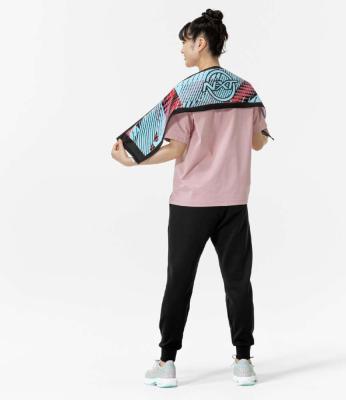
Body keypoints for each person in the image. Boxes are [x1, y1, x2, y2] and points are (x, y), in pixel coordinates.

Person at [111, 8, 271, 387]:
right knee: (238, 282)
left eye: (185, 42)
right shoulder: (246, 91)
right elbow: (259, 142)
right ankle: (243, 361)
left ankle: (167, 362)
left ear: (201, 43)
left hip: (191, 203)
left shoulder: (186, 93)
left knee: (179, 281)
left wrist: (134, 160)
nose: (182, 49)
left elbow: (176, 148)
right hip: (234, 201)